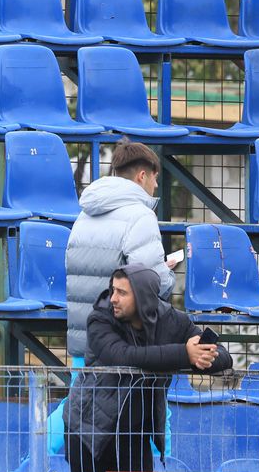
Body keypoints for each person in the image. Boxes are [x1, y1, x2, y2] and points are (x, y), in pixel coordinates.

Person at [63, 264, 230, 472]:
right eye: (113, 290)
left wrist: (201, 356)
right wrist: (183, 354)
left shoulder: (173, 321)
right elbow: (121, 356)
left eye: (122, 292)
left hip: (134, 430)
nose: (113, 298)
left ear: (143, 298)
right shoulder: (99, 318)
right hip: (89, 426)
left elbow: (224, 358)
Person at [65, 139, 179, 365]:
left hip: (83, 345)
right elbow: (152, 284)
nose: (156, 185)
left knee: (80, 390)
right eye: (155, 178)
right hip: (119, 347)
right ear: (142, 176)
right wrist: (166, 274)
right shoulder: (141, 216)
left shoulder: (84, 215)